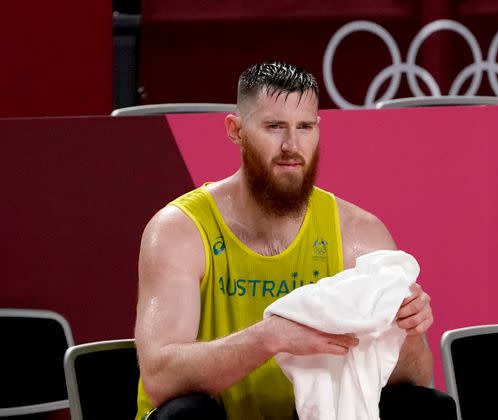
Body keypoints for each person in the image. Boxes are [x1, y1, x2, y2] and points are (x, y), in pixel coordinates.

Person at [134, 61, 436, 420]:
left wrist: (408, 328)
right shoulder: (179, 231)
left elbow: (416, 378)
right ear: (237, 130)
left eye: (305, 127)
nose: (292, 145)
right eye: (275, 126)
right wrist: (269, 338)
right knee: (185, 415)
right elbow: (160, 378)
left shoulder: (359, 235)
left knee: (422, 407)